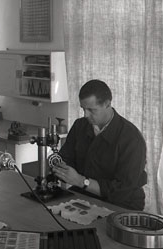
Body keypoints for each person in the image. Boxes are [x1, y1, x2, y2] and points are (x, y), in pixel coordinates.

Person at [53, 79, 147, 210]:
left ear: (107, 104)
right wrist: (60, 168)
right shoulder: (80, 126)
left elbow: (122, 190)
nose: (85, 115)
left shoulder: (131, 138)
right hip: (85, 195)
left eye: (91, 110)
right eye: (83, 109)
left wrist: (80, 181)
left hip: (122, 204)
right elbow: (66, 159)